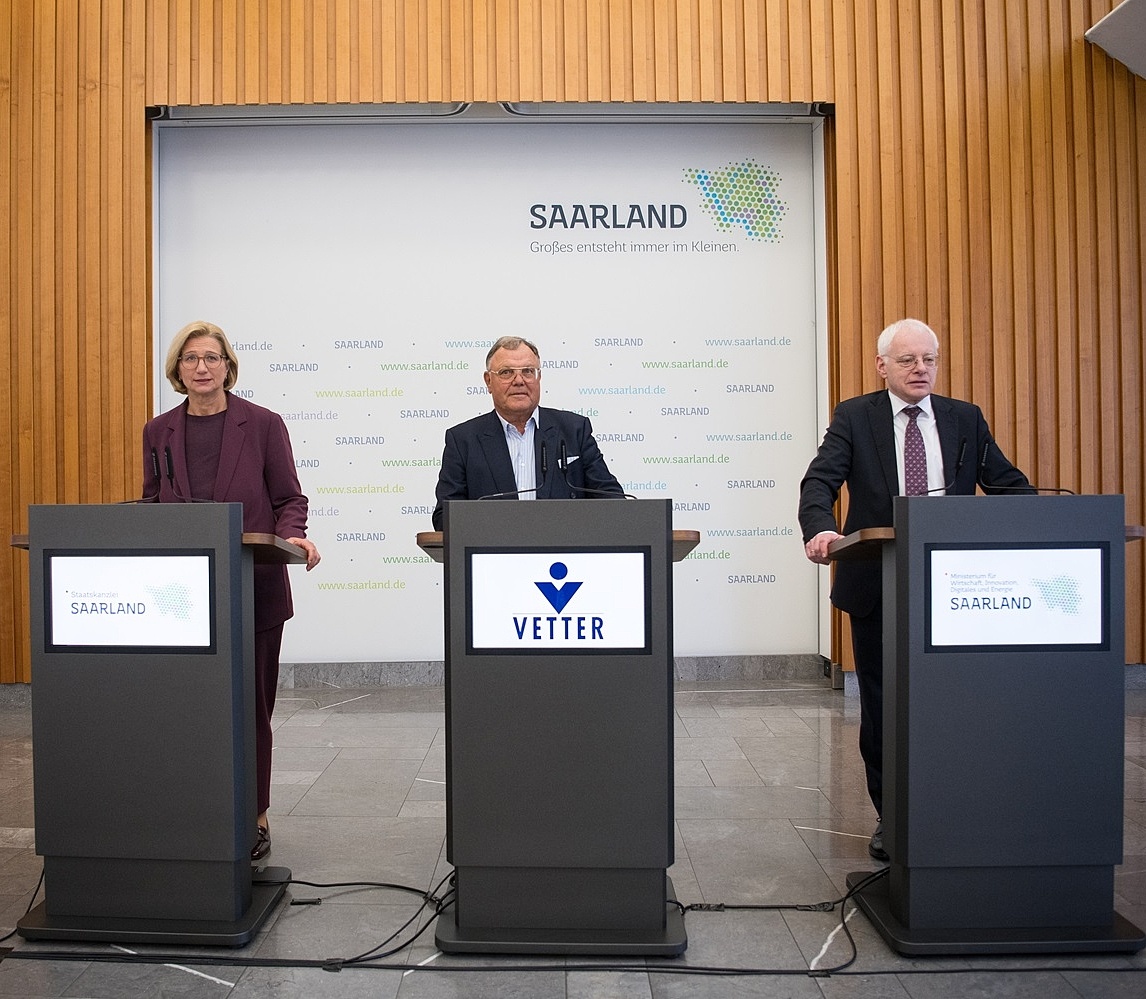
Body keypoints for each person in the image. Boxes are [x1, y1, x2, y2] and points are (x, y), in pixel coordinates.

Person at [798, 318, 1031, 862]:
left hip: (960, 587)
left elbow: (1005, 483)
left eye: (928, 359)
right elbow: (820, 481)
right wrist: (819, 528)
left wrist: (1043, 518)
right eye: (907, 360)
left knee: (956, 703)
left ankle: (956, 806)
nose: (920, 368)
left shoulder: (964, 418)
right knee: (882, 707)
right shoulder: (856, 416)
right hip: (879, 582)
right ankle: (893, 818)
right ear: (883, 366)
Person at [142, 320, 321, 863]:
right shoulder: (158, 431)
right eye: (191, 358)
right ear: (177, 370)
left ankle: (255, 815)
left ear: (228, 367)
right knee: (190, 712)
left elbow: (289, 496)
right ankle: (197, 812)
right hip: (182, 599)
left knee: (250, 711)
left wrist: (291, 536)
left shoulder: (263, 425)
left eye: (212, 358)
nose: (202, 367)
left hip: (255, 589)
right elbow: (153, 503)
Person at [432, 336, 623, 529]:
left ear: (538, 377)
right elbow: (445, 518)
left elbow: (613, 502)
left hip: (562, 553)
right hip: (495, 555)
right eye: (506, 372)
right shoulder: (463, 440)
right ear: (488, 381)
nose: (519, 381)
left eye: (528, 371)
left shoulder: (574, 430)